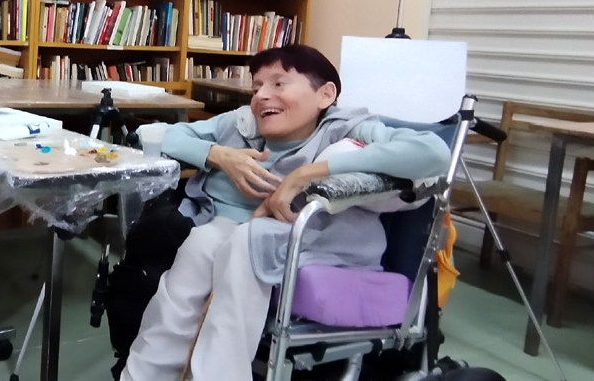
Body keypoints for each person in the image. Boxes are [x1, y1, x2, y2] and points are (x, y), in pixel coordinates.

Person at [120, 44, 451, 381]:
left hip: (319, 241)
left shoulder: (346, 127)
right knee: (201, 242)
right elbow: (147, 135)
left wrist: (310, 173)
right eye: (256, 87)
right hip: (240, 230)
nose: (262, 95)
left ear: (325, 94)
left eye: (279, 84)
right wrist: (217, 154)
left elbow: (433, 152)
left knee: (248, 239)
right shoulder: (242, 124)